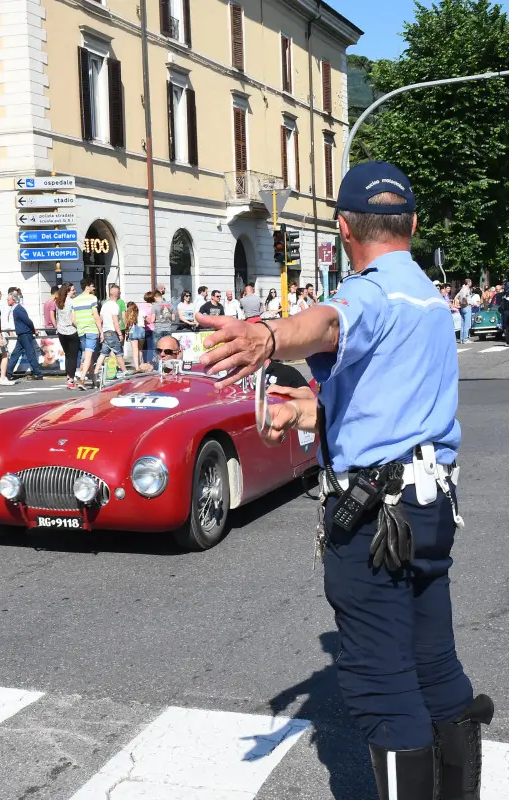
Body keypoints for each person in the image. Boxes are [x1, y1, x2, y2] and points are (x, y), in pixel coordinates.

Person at [197, 161, 493, 800]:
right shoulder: (429, 300)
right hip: (431, 505)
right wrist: (301, 410)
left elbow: (327, 323)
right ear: (411, 224)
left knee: (383, 688)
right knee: (435, 664)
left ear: (342, 228)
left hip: (377, 519)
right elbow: (388, 405)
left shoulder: (371, 290)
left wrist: (269, 336)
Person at [70, 278, 103, 391]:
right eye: (92, 286)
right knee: (88, 356)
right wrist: (101, 331)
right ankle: (82, 379)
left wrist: (79, 326)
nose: (94, 288)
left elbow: (73, 320)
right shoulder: (92, 298)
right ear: (87, 286)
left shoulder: (75, 300)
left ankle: (94, 380)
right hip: (91, 329)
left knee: (89, 355)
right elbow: (96, 316)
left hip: (81, 330)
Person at [6, 292, 43, 380]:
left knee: (30, 354)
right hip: (22, 334)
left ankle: (38, 373)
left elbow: (28, 321)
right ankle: (8, 373)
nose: (7, 301)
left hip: (25, 334)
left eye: (8, 299)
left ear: (13, 300)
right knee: (16, 354)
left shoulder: (18, 309)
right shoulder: (15, 309)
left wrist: (33, 330)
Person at [94, 285, 126, 380]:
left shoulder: (105, 304)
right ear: (118, 295)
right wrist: (120, 333)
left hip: (105, 331)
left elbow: (100, 319)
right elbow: (115, 322)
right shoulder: (115, 306)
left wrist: (101, 333)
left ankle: (96, 373)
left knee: (103, 353)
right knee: (118, 352)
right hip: (112, 332)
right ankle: (125, 372)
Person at [56, 283, 79, 389]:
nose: (75, 291)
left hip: (61, 331)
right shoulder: (72, 302)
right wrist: (79, 327)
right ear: (67, 291)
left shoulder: (58, 302)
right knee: (73, 356)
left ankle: (68, 376)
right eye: (73, 290)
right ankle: (71, 379)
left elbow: (57, 318)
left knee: (67, 355)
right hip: (71, 331)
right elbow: (73, 320)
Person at [151, 290, 175, 355]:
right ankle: (167, 360)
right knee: (168, 347)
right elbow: (173, 318)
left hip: (158, 328)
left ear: (155, 297)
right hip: (168, 328)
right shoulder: (170, 305)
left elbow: (152, 320)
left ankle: (158, 361)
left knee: (157, 347)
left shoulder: (154, 306)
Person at [125, 301, 146, 370]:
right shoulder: (141, 312)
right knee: (140, 350)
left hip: (132, 331)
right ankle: (140, 365)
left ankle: (137, 367)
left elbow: (126, 325)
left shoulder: (128, 314)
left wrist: (126, 333)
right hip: (141, 330)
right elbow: (146, 320)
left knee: (134, 350)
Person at [139, 291, 156, 364]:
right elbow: (152, 319)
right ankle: (149, 362)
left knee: (144, 347)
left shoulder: (141, 306)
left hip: (143, 328)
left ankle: (144, 361)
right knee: (150, 347)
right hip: (152, 328)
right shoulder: (154, 307)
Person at [456, 278, 472, 344]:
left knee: (462, 324)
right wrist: (467, 303)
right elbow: (464, 297)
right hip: (466, 307)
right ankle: (465, 339)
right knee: (467, 324)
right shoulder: (466, 289)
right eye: (470, 282)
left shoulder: (462, 289)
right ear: (468, 283)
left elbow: (456, 297)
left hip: (462, 308)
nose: (471, 283)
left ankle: (461, 339)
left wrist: (459, 303)